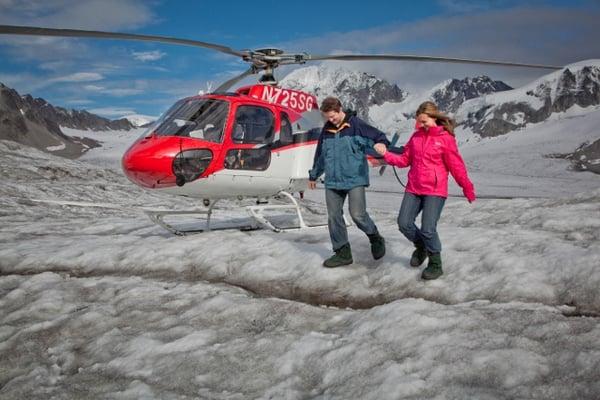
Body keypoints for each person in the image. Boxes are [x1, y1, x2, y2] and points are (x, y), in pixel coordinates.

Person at [374, 101, 475, 280]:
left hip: (435, 190)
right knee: (404, 223)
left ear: (433, 118)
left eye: (423, 122)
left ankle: (436, 263)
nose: (419, 125)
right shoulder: (416, 137)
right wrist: (386, 155)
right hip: (414, 187)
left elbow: (456, 166)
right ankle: (421, 247)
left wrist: (467, 187)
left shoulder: (445, 139)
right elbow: (404, 160)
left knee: (428, 229)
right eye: (418, 122)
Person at [308, 97, 390, 268]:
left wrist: (382, 144)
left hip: (355, 179)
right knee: (333, 217)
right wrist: (313, 175)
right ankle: (342, 252)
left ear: (339, 110)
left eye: (332, 117)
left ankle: (375, 237)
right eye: (327, 118)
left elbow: (379, 136)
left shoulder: (356, 125)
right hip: (333, 181)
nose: (330, 121)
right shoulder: (327, 130)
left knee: (357, 215)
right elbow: (321, 155)